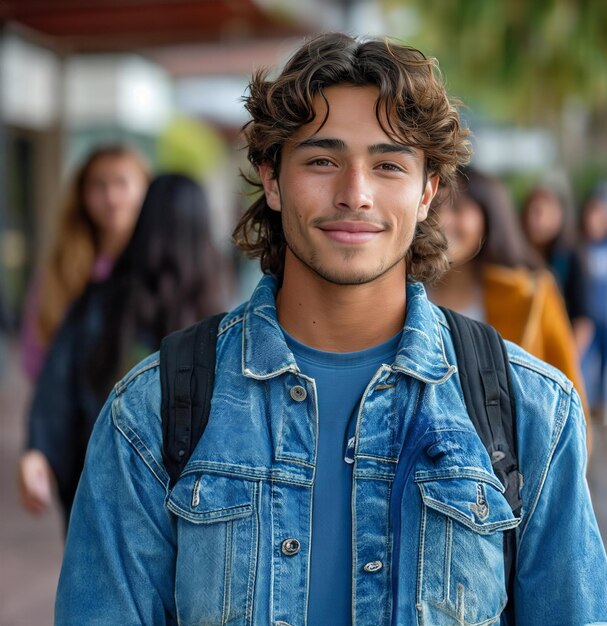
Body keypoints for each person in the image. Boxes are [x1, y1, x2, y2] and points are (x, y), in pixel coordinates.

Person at [55, 33, 607, 625]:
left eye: (388, 164)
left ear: (427, 193)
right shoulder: (150, 411)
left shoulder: (531, 409)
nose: (354, 194)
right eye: (322, 159)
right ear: (271, 178)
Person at [19, 174, 230, 524]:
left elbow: (59, 380)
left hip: (106, 489)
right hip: (195, 501)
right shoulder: (224, 314)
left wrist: (40, 450)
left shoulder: (102, 300)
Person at [429, 167, 588, 405]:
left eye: (457, 208)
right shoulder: (398, 293)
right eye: (433, 207)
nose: (441, 220)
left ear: (489, 215)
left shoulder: (531, 293)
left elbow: (568, 392)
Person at [20, 144, 150, 381]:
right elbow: (35, 356)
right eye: (99, 185)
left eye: (122, 182)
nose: (111, 197)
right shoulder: (61, 270)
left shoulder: (159, 266)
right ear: (82, 194)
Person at [521, 183, 594, 355]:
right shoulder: (515, 257)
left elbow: (582, 320)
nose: (536, 219)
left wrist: (566, 359)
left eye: (542, 212)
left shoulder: (569, 257)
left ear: (559, 215)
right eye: (532, 211)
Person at [580, 184, 607, 420]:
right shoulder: (579, 247)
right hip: (589, 317)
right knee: (585, 359)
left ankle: (601, 403)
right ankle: (585, 401)